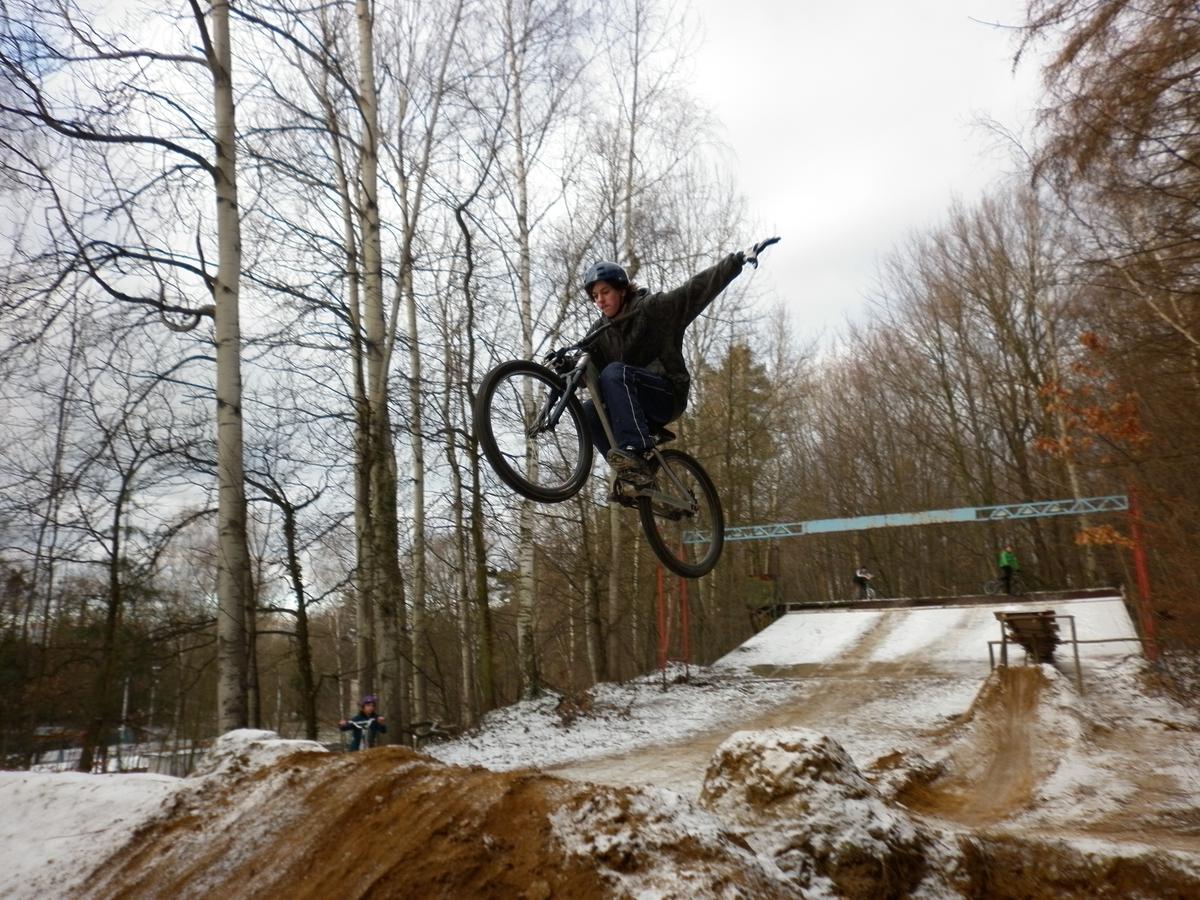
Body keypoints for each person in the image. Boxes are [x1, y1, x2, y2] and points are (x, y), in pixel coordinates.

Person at [579, 237, 780, 487]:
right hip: (631, 406)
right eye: (595, 296)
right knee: (587, 410)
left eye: (605, 292)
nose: (599, 300)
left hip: (666, 394)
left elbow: (693, 291)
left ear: (621, 290)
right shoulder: (600, 332)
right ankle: (632, 473)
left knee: (614, 373)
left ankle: (634, 450)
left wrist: (736, 260)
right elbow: (580, 360)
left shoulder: (652, 309)